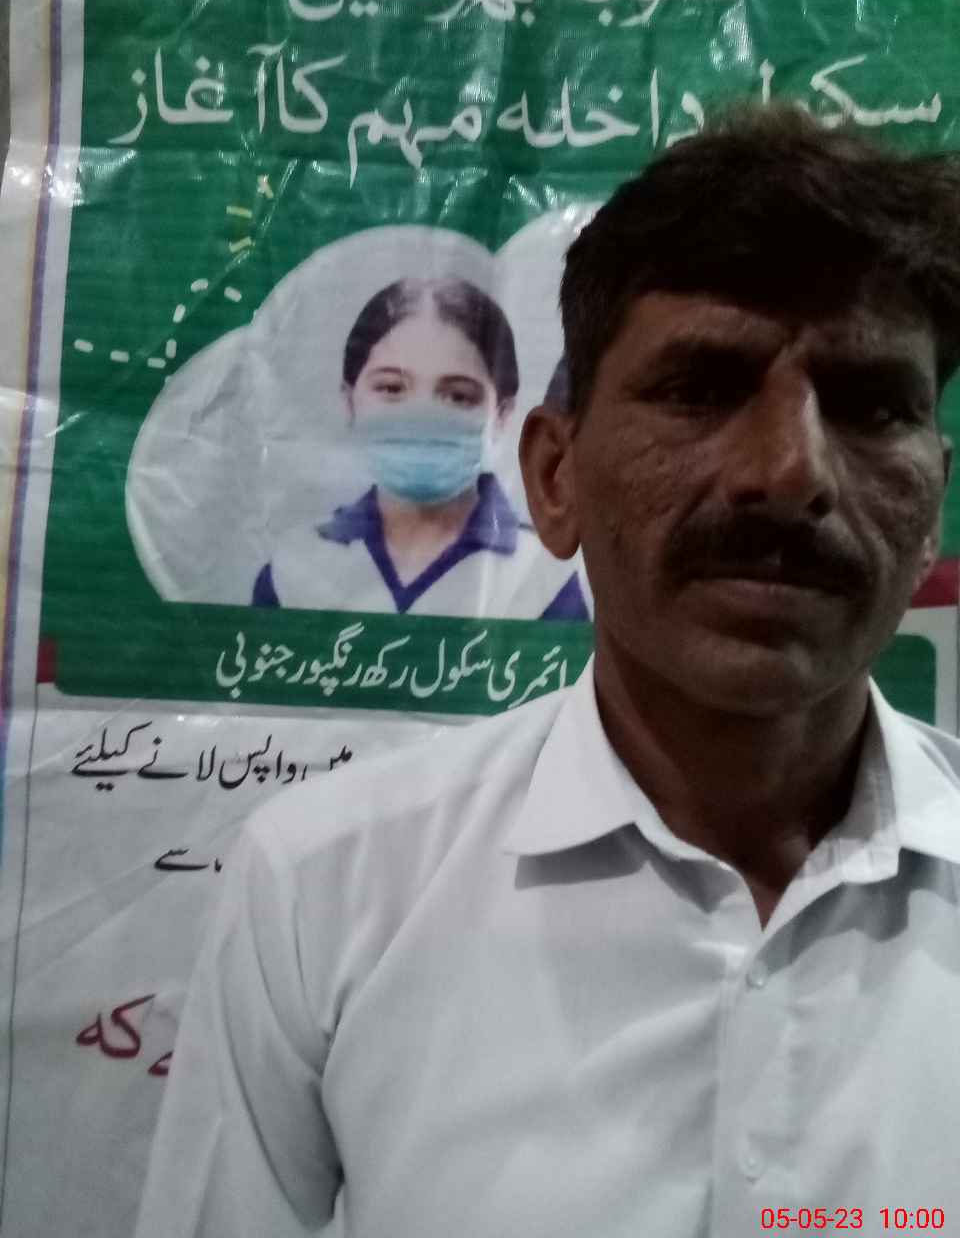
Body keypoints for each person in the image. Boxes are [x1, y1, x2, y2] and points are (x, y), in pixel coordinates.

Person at [136, 106, 960, 1237]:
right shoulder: (324, 887)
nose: (789, 471)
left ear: (933, 506)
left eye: (870, 406)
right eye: (702, 388)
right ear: (555, 477)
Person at [252, 276, 589, 619]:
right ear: (349, 401)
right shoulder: (293, 572)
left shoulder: (542, 579)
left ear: (501, 414)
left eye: (458, 396)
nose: (422, 414)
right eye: (392, 388)